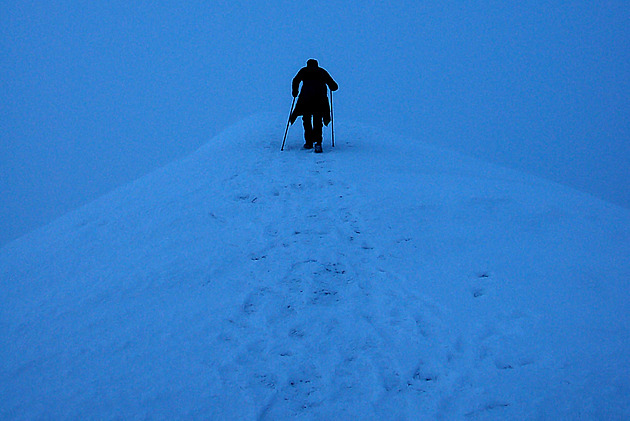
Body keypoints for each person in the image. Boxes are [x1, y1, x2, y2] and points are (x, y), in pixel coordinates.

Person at [290, 59, 338, 153]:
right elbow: (334, 86)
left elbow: (295, 80)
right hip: (320, 101)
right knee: (317, 121)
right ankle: (318, 143)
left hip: (305, 100)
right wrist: (332, 87)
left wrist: (295, 92)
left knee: (306, 120)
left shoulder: (304, 71)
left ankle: (308, 142)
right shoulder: (322, 71)